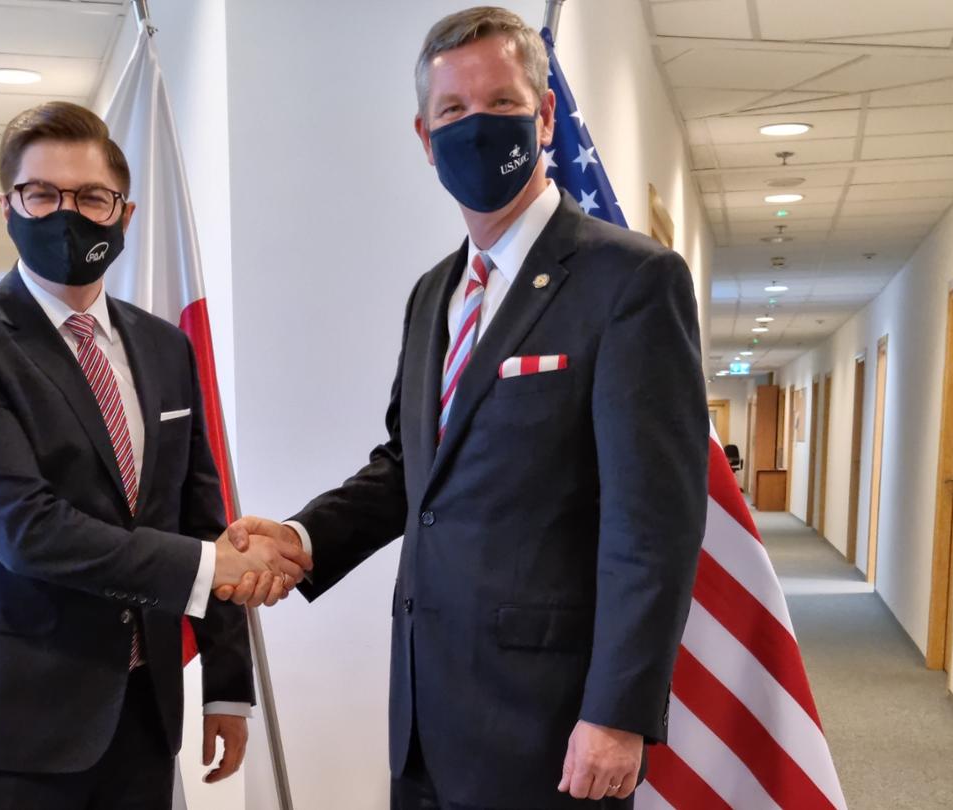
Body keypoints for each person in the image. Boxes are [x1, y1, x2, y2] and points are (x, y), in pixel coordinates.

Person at [227, 7, 708, 808]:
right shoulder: (434, 294)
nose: (475, 129)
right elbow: (412, 468)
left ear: (545, 114)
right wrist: (304, 538)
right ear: (424, 137)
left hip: (551, 726)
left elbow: (654, 523)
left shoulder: (631, 281)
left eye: (501, 105)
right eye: (452, 112)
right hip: (424, 711)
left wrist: (618, 715)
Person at [0, 101, 310, 809]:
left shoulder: (163, 346)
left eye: (92, 196)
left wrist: (226, 685)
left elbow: (199, 511)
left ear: (125, 213)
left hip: (139, 712)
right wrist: (218, 566)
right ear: (7, 206)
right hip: (10, 724)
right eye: (42, 194)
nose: (69, 214)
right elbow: (27, 530)